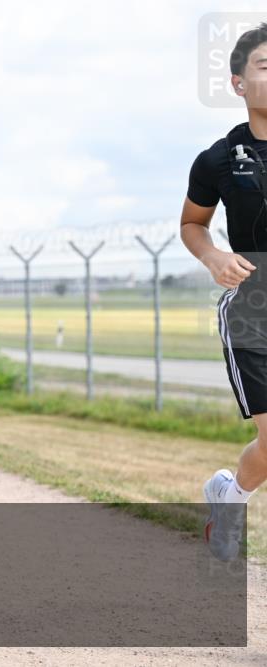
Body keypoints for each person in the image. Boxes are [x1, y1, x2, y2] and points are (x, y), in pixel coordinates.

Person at [182, 22, 267, 562]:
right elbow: (193, 224)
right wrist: (213, 256)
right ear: (238, 83)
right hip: (255, 308)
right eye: (265, 66)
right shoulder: (218, 158)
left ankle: (230, 497)